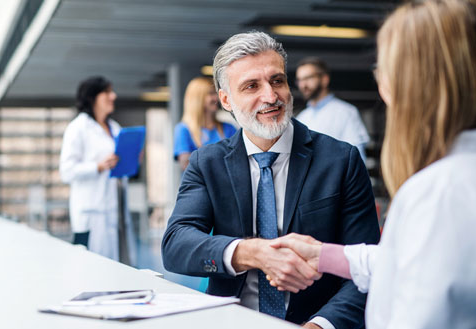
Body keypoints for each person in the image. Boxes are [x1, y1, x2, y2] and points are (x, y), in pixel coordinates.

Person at [270, 1, 476, 328]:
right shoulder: (457, 178)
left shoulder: (437, 193)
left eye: (382, 69)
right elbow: (417, 262)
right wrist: (326, 255)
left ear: (409, 83)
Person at [161, 31, 380, 328]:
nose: (271, 96)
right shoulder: (207, 163)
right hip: (232, 320)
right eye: (251, 86)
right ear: (226, 99)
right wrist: (251, 252)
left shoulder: (341, 160)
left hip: (313, 320)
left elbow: (366, 268)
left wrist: (320, 325)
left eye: (277, 80)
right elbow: (176, 245)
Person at [60, 76, 136, 265]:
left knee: (121, 266)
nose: (113, 96)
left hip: (116, 210)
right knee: (93, 267)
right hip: (93, 212)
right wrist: (98, 166)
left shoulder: (115, 127)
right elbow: (66, 171)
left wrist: (132, 158)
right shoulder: (78, 128)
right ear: (92, 97)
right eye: (107, 92)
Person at [295, 57, 369, 161]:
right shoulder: (301, 118)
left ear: (325, 79)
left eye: (308, 78)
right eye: (300, 80)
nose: (303, 85)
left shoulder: (347, 112)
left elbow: (357, 158)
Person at [174, 76, 237, 170]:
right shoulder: (183, 129)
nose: (216, 98)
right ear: (198, 99)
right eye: (211, 94)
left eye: (215, 93)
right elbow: (187, 165)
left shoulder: (229, 128)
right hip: (200, 184)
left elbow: (238, 159)